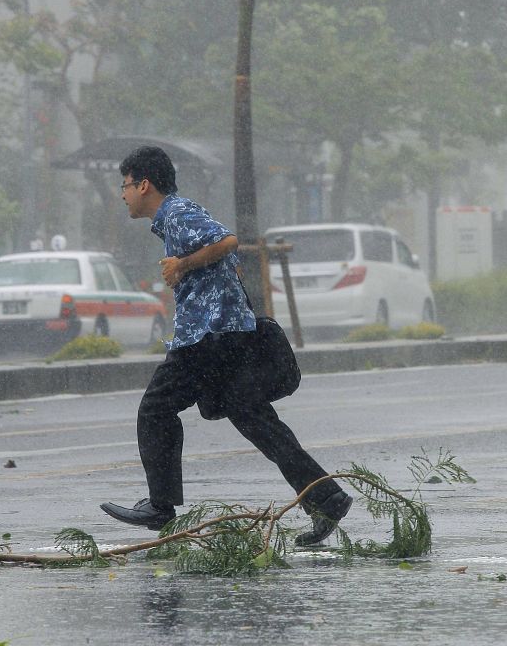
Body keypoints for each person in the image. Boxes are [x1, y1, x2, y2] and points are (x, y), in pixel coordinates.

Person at [100, 146, 352, 545]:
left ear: (143, 184)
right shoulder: (175, 218)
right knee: (252, 416)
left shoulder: (177, 214)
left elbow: (228, 241)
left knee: (155, 408)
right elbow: (222, 253)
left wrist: (182, 265)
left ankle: (160, 505)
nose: (123, 194)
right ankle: (326, 497)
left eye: (125, 185)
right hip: (227, 333)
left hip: (208, 336)